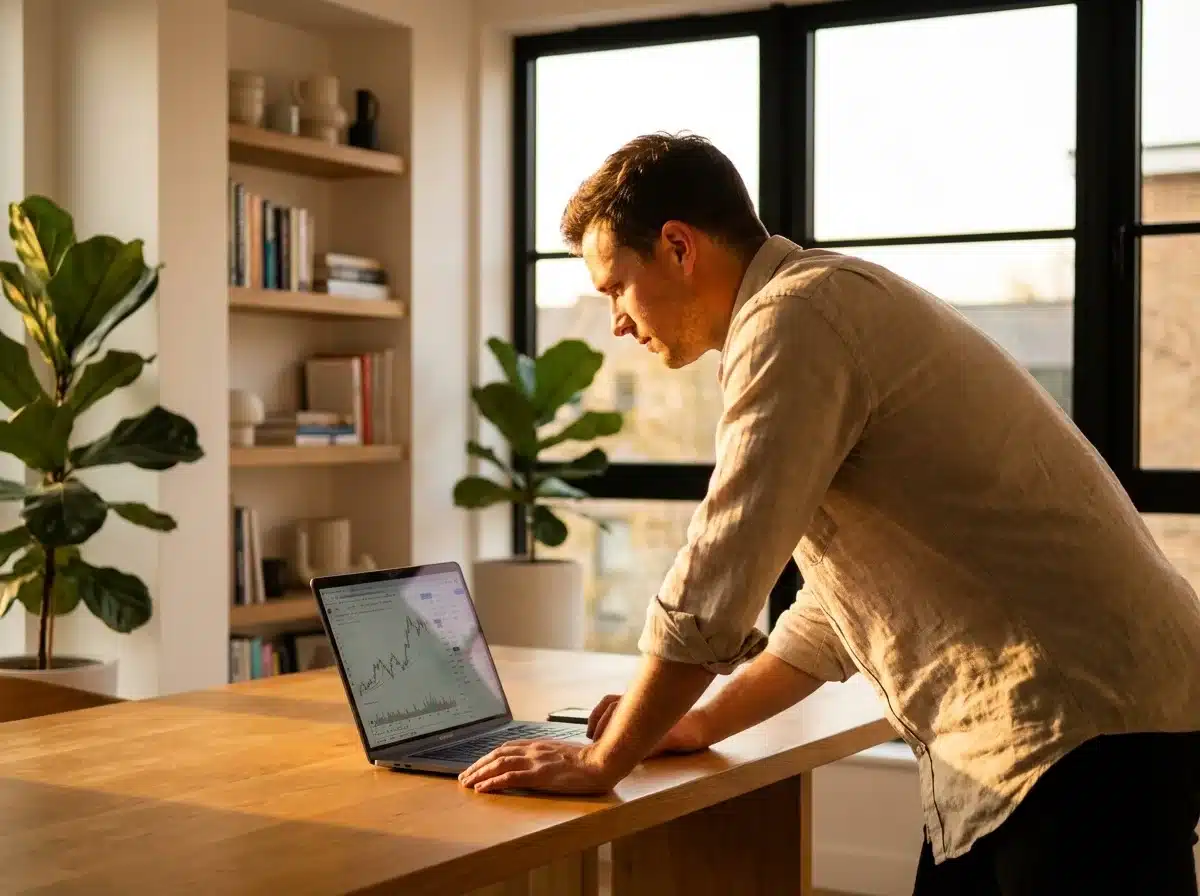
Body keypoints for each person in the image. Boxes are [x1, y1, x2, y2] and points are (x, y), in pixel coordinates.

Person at [458, 132, 1200, 893]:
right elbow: (840, 606)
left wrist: (600, 760)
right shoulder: (821, 303)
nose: (614, 318)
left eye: (615, 285)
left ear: (678, 246)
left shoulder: (794, 320)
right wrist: (699, 722)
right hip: (1083, 722)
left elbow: (720, 566)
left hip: (1080, 725)